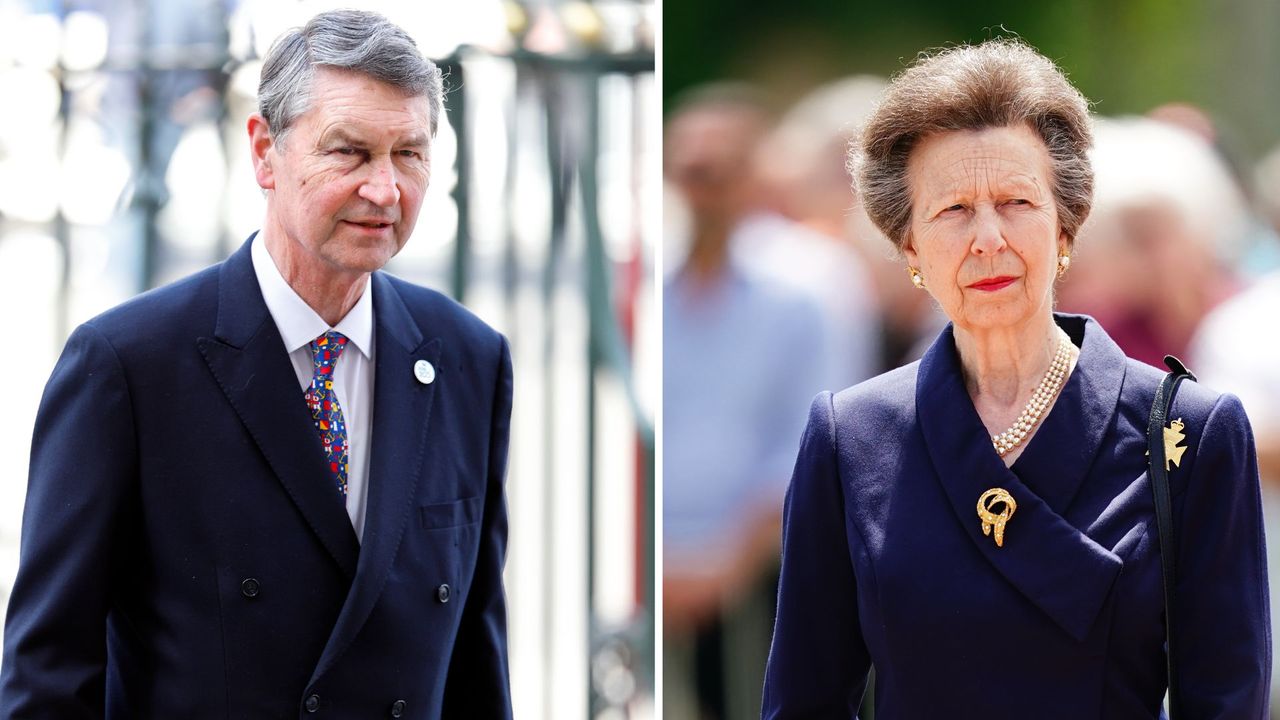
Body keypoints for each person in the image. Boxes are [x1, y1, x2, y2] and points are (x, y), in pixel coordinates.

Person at [0, 10, 514, 719]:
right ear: (265, 153)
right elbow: (47, 678)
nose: (386, 189)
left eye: (410, 154)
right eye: (350, 152)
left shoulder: (468, 360)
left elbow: (477, 667)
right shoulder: (127, 367)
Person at [762, 39, 1270, 717]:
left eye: (1017, 202)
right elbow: (804, 699)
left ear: (1066, 224)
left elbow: (1227, 699)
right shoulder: (849, 437)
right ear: (908, 245)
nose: (989, 238)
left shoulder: (1191, 434)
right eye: (953, 210)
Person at [663, 85, 829, 720]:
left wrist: (725, 563)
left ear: (753, 174)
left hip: (766, 577)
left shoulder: (807, 288)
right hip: (658, 578)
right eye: (688, 171)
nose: (699, 189)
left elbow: (811, 439)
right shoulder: (650, 282)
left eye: (716, 171)